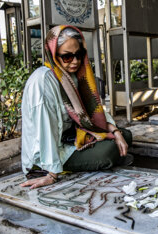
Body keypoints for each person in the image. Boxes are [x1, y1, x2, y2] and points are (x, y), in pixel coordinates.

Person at [20, 25, 132, 189]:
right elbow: (45, 131)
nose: (75, 61)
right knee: (106, 153)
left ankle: (115, 155)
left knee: (125, 135)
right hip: (48, 155)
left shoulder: (73, 75)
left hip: (71, 138)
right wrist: (51, 173)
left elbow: (93, 113)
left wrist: (115, 131)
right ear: (53, 54)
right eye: (67, 57)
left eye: (79, 55)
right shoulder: (43, 82)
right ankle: (111, 159)